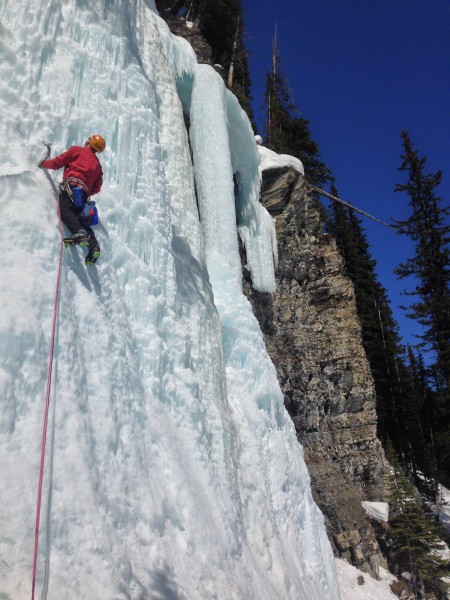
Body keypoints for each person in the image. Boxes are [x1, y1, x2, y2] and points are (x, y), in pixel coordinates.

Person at [39, 134, 105, 264]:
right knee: (79, 219)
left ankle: (79, 233)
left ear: (88, 142)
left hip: (71, 185)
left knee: (64, 211)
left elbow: (57, 163)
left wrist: (43, 163)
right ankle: (94, 246)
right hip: (83, 194)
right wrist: (85, 189)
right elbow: (97, 187)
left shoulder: (76, 150)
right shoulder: (98, 166)